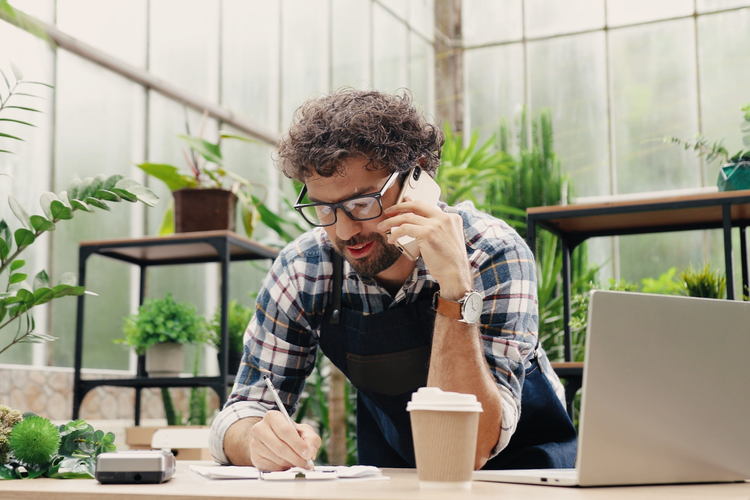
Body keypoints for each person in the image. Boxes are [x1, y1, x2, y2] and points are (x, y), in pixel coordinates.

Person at [208, 88, 577, 471]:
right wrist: (257, 441)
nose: (346, 230)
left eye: (362, 203)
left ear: (416, 174)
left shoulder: (492, 253)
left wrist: (455, 289)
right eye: (324, 208)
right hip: (399, 477)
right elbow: (244, 408)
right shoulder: (306, 268)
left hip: (526, 477)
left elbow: (467, 451)